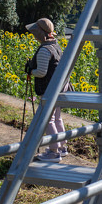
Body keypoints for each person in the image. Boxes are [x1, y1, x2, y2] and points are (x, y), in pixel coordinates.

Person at [25, 17, 69, 161]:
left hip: (49, 89)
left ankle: (53, 151)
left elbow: (42, 72)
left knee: (48, 120)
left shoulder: (44, 50)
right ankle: (63, 147)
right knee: (57, 118)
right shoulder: (56, 46)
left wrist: (31, 71)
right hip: (60, 88)